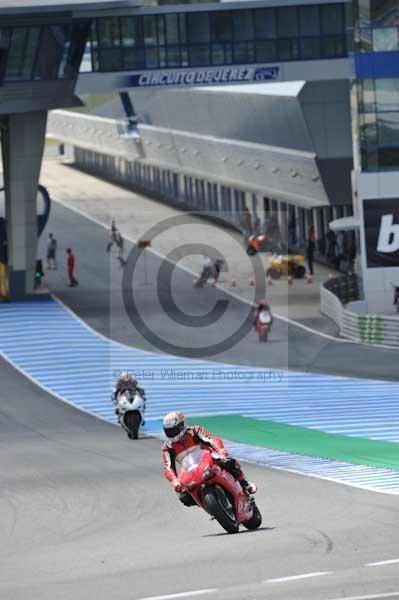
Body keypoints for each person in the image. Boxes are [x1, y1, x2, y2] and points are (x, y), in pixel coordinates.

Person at [162, 412, 257, 507]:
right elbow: (168, 467)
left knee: (228, 461)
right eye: (169, 431)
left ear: (181, 426)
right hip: (189, 469)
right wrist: (175, 481)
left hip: (208, 458)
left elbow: (211, 440)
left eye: (173, 430)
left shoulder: (194, 430)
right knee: (184, 497)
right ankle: (208, 504)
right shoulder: (167, 447)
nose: (172, 433)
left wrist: (221, 451)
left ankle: (245, 483)